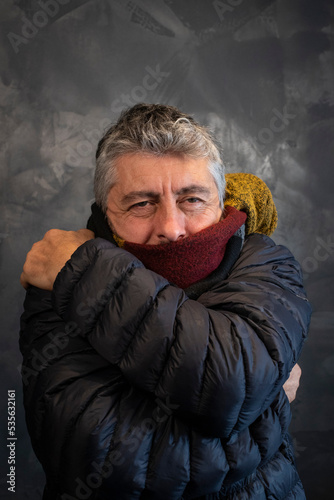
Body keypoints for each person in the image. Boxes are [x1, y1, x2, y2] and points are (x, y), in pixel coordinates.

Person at [19, 103, 311, 500]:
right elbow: (114, 464)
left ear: (222, 202)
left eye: (192, 199)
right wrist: (272, 398)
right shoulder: (59, 284)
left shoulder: (266, 264)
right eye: (142, 204)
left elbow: (229, 384)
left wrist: (88, 273)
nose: (171, 229)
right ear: (106, 213)